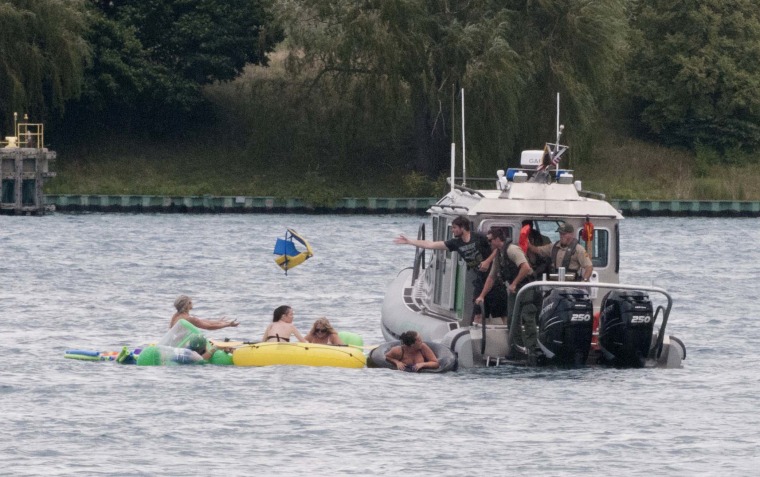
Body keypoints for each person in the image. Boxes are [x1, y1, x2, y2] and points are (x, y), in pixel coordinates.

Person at [394, 215, 497, 324]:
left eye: (454, 228)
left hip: (493, 275)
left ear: (462, 228)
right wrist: (409, 241)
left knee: (496, 309)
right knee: (477, 311)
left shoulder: (479, 237)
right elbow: (431, 244)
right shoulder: (456, 243)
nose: (452, 230)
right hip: (480, 278)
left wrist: (488, 261)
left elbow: (498, 248)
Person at [476, 227, 539, 357]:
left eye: (490, 240)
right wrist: (482, 295)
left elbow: (526, 267)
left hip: (526, 286)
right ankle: (517, 349)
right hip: (514, 289)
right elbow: (491, 277)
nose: (489, 243)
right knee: (512, 319)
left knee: (527, 317)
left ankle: (532, 349)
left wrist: (514, 283)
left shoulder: (512, 250)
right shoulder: (499, 255)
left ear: (498, 239)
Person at [529, 223, 593, 281]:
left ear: (571, 234)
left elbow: (589, 267)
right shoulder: (553, 247)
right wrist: (527, 243)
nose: (561, 236)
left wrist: (583, 281)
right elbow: (537, 250)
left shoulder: (579, 249)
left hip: (571, 285)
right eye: (560, 233)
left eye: (564, 234)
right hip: (554, 284)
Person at [170, 295, 239, 330]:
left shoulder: (176, 316)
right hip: (182, 347)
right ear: (188, 304)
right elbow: (209, 327)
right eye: (191, 302)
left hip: (174, 344)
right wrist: (228, 325)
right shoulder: (190, 319)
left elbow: (203, 321)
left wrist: (218, 322)